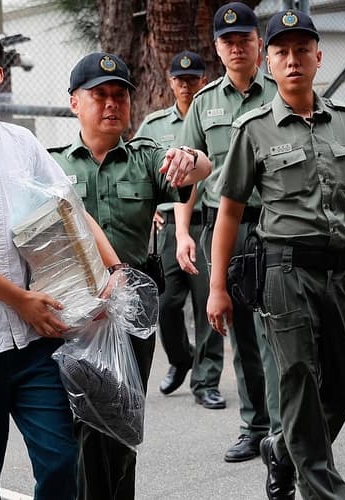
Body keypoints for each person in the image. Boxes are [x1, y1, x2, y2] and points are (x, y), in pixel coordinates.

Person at [0, 19, 186, 500]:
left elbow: (69, 207)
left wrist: (112, 269)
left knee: (61, 466)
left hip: (34, 342)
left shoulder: (23, 144)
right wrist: (21, 300)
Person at [207, 10, 345, 499]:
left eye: (302, 50)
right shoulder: (252, 129)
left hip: (341, 270)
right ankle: (324, 489)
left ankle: (282, 446)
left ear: (318, 57)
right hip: (284, 270)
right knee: (300, 381)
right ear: (270, 62)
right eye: (282, 52)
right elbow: (229, 214)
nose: (293, 60)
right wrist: (218, 288)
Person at [49, 52, 210, 500]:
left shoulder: (145, 159)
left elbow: (199, 170)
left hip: (131, 307)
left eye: (119, 95)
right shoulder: (52, 165)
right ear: (74, 103)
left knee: (122, 421)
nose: (111, 104)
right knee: (76, 421)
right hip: (72, 308)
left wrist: (189, 156)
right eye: (99, 95)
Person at [177, 1, 282, 462]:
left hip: (277, 225)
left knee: (276, 333)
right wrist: (182, 231)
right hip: (228, 228)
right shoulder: (204, 104)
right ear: (217, 49)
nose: (237, 47)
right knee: (239, 333)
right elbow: (185, 175)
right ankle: (254, 425)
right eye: (228, 40)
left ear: (259, 43)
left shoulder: (281, 91)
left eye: (245, 38)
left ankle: (283, 431)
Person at [135, 51, 224, 406]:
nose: (186, 85)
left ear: (203, 81)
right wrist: (149, 208)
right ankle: (181, 358)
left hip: (210, 222)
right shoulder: (155, 125)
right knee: (166, 302)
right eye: (180, 79)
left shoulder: (213, 119)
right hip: (170, 228)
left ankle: (206, 381)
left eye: (193, 79)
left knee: (209, 303)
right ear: (170, 82)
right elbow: (136, 164)